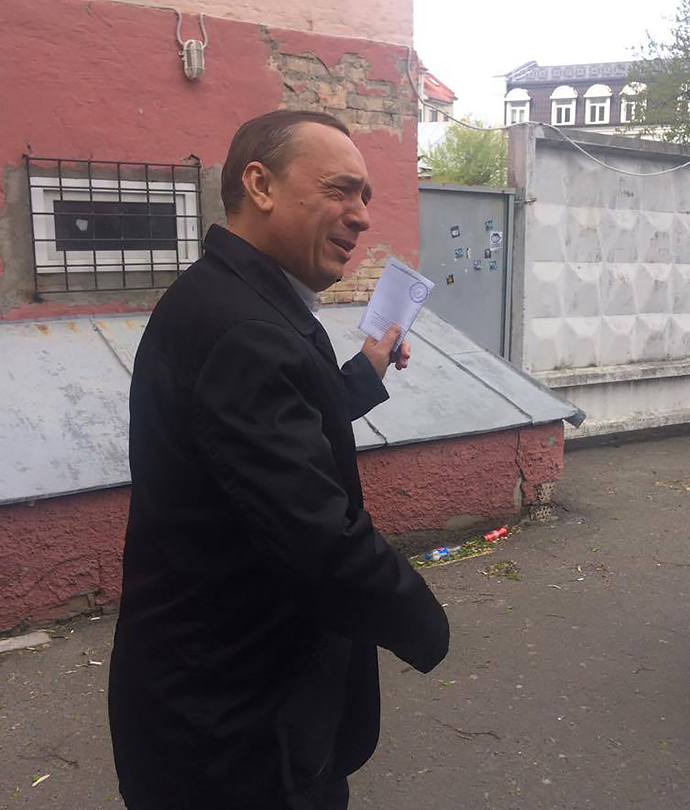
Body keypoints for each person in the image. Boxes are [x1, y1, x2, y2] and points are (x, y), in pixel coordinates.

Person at [108, 109, 449, 810]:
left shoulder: (229, 297)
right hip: (236, 731)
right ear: (260, 185)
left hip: (206, 703)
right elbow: (317, 535)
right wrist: (423, 622)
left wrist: (365, 371)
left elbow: (266, 436)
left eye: (365, 198)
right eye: (339, 190)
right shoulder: (247, 329)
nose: (361, 216)